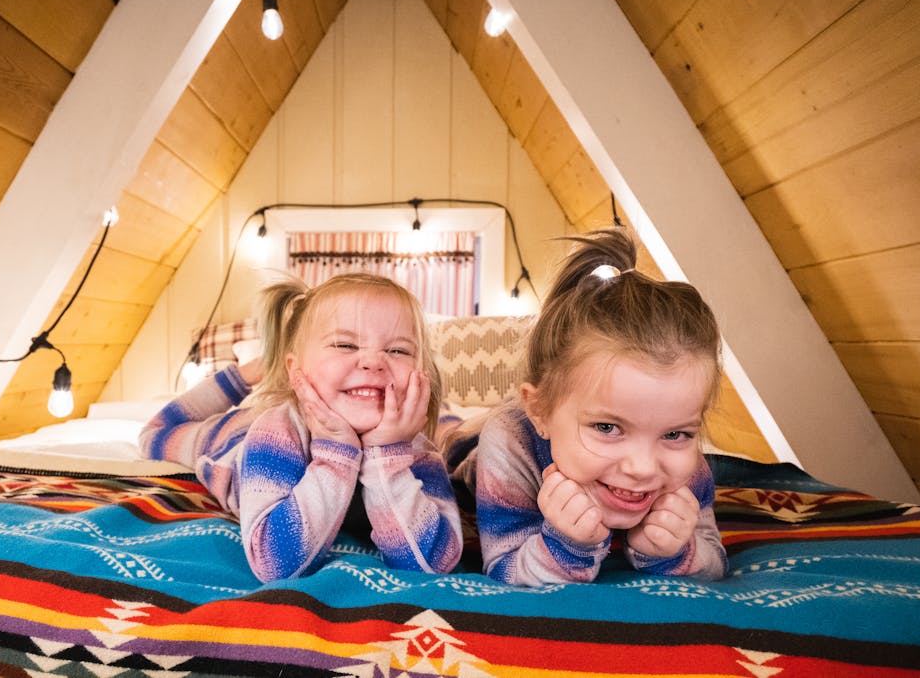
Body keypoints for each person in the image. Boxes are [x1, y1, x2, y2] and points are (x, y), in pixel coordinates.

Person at [440, 228, 728, 586]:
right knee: (453, 435)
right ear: (540, 412)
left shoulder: (683, 465)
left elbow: (714, 558)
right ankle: (449, 414)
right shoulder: (511, 440)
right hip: (475, 451)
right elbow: (504, 567)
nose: (642, 467)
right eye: (607, 427)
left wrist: (672, 552)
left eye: (675, 434)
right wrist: (569, 545)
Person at [140, 273, 462, 582]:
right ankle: (252, 370)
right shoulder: (273, 434)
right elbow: (276, 565)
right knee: (155, 434)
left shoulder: (417, 451)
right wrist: (336, 453)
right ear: (296, 370)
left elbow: (431, 564)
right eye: (345, 345)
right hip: (236, 440)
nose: (374, 362)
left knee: (447, 425)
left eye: (398, 351)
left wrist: (387, 456)